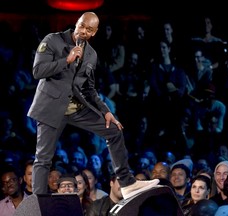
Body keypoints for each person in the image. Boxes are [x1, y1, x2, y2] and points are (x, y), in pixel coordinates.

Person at [27, 11, 159, 198]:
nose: (83, 31)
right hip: (51, 108)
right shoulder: (53, 40)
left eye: (89, 29)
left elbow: (89, 89)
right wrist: (66, 60)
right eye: (81, 25)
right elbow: (37, 71)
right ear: (77, 23)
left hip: (76, 109)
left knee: (114, 130)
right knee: (43, 158)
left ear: (94, 32)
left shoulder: (91, 55)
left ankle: (127, 183)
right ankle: (38, 201)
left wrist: (105, 111)